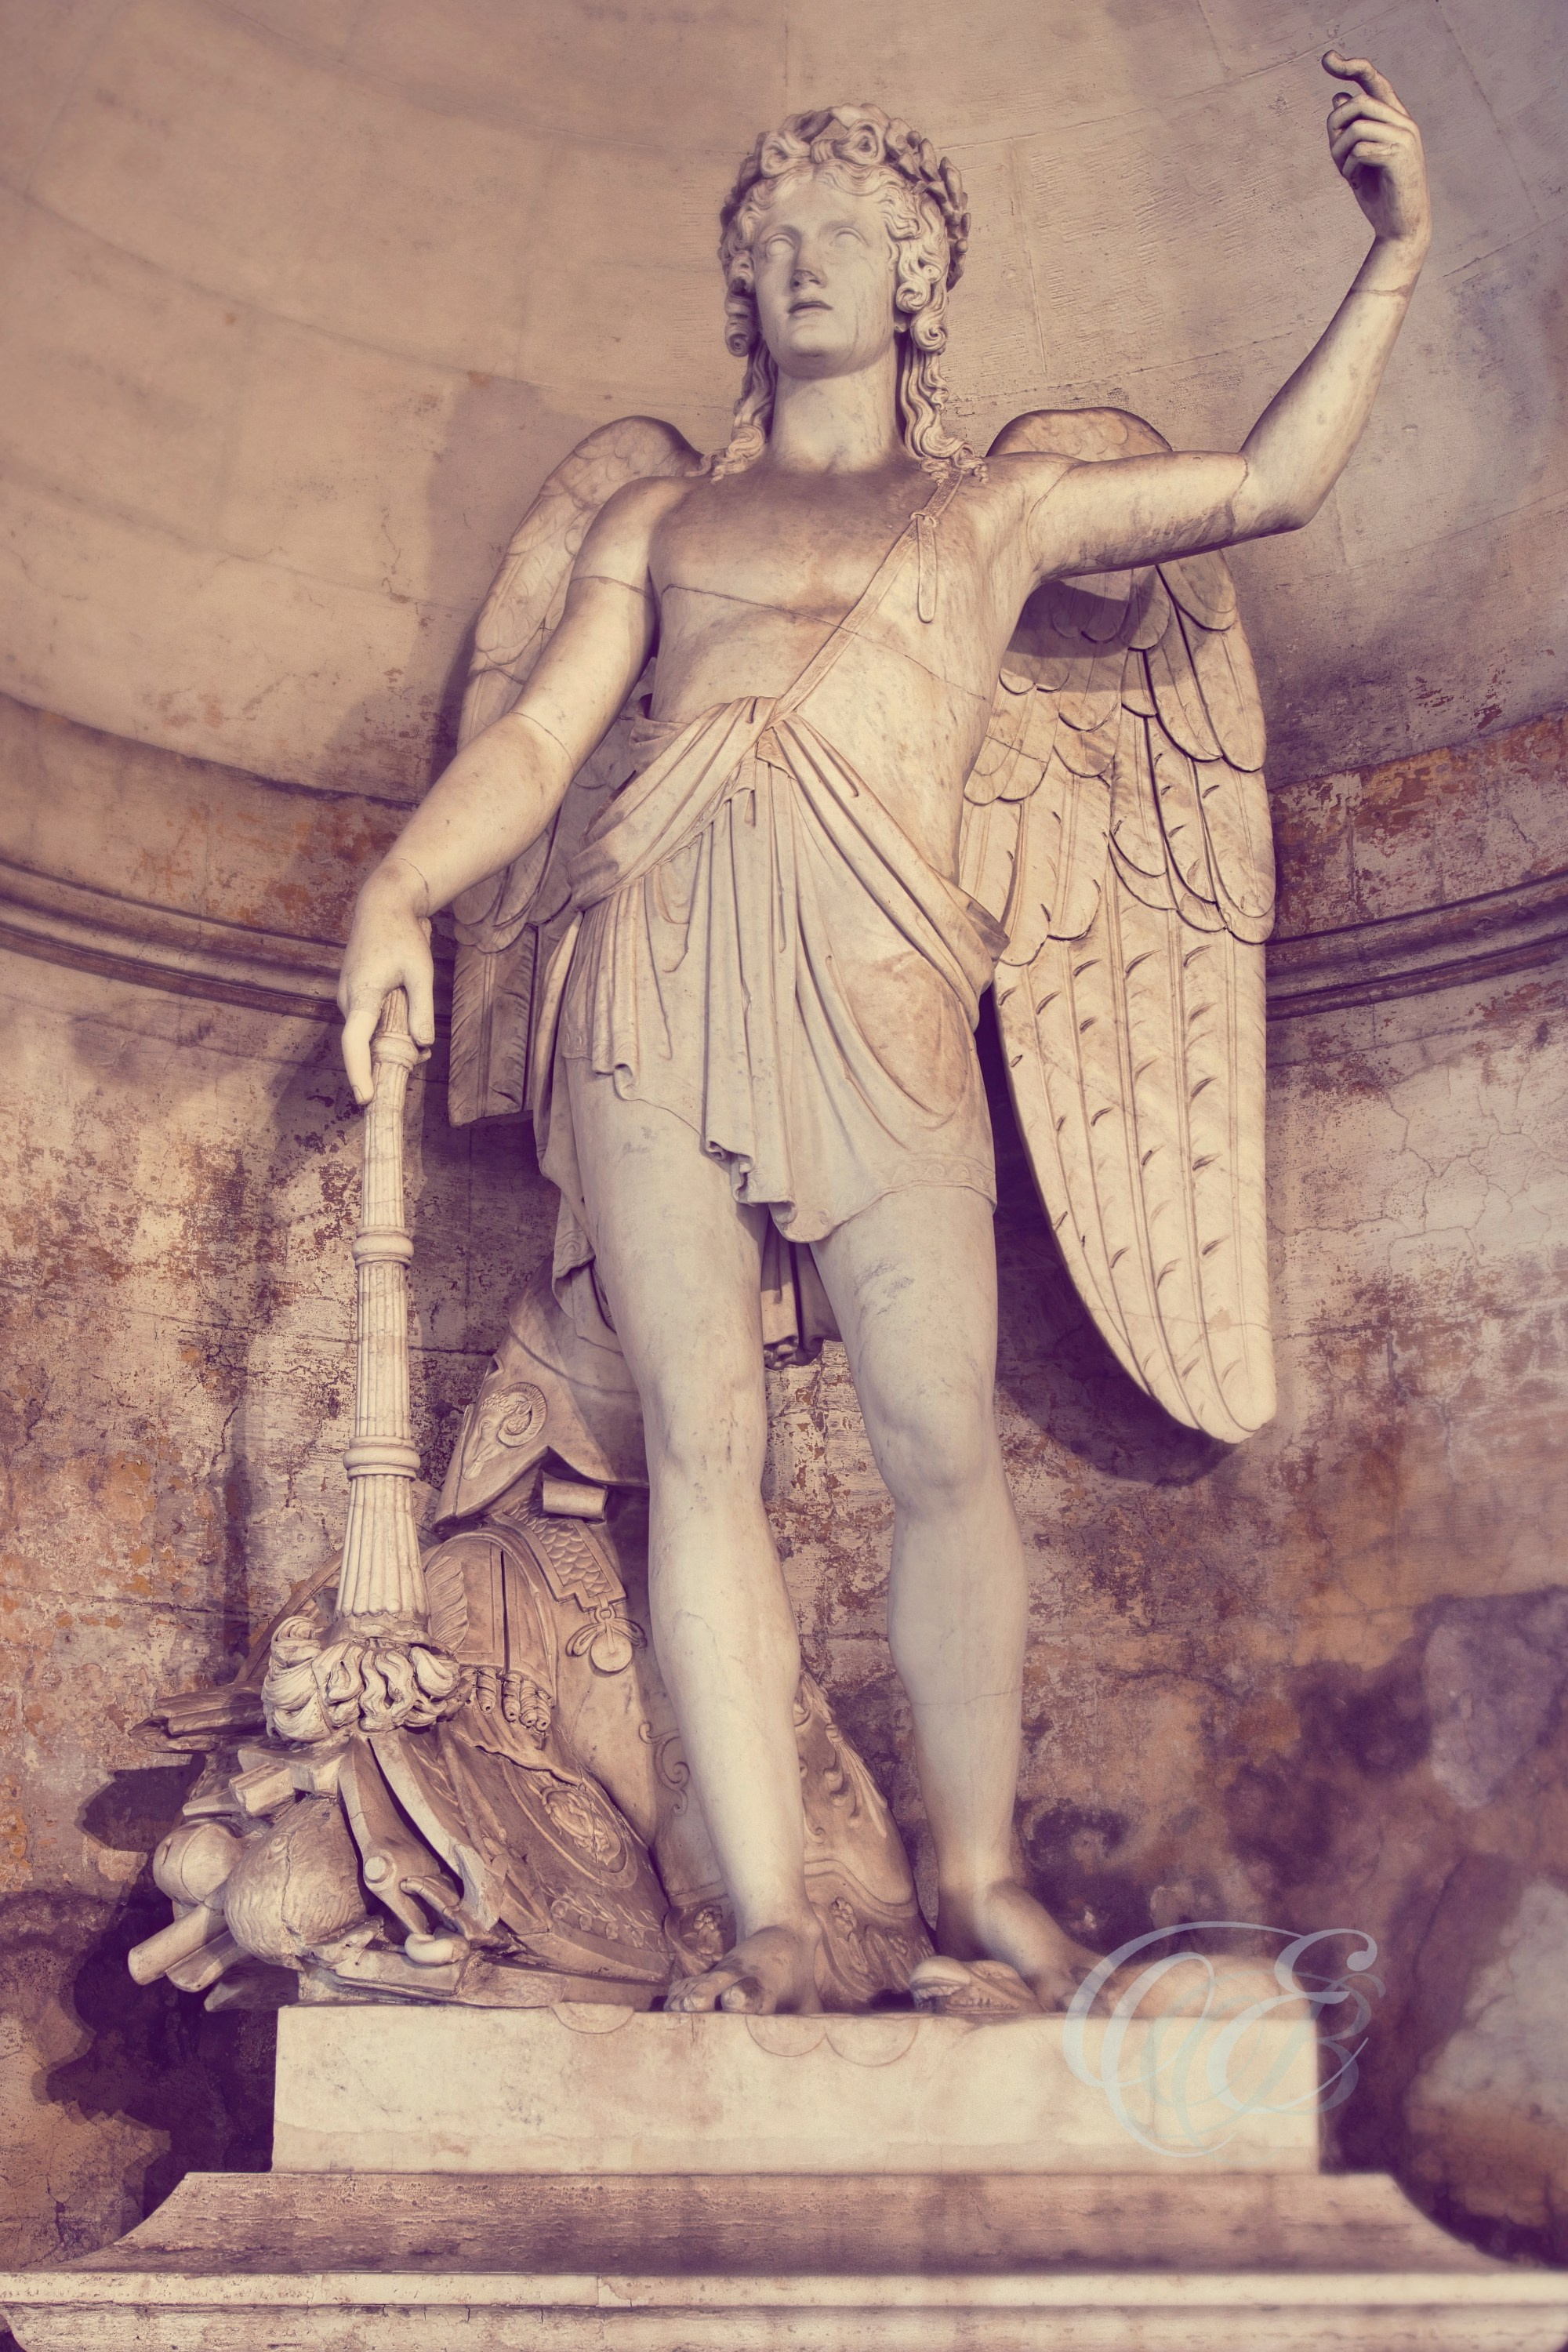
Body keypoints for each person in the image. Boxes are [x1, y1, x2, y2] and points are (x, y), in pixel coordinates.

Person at [336, 57, 1431, 2015]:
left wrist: (1395, 256)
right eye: (772, 239)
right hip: (657, 965)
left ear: (920, 273)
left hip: (885, 977)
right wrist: (399, 889)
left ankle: (983, 1882)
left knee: (941, 1446)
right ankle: (765, 1911)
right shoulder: (663, 518)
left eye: (847, 231)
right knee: (701, 1444)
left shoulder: (992, 505)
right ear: (740, 288)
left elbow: (1270, 488)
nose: (805, 259)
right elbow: (534, 742)